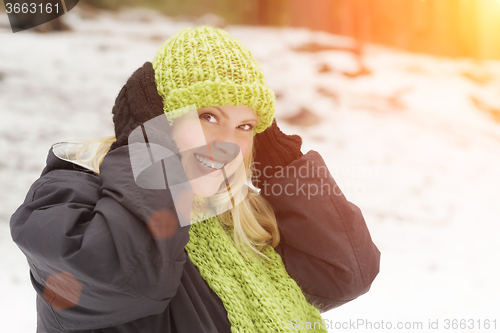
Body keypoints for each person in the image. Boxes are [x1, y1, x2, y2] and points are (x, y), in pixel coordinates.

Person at [10, 26, 380, 333]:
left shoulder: (236, 220)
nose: (227, 145)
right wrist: (148, 151)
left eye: (245, 126)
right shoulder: (71, 198)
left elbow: (346, 272)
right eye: (208, 116)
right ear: (157, 118)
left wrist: (280, 159)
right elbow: (124, 276)